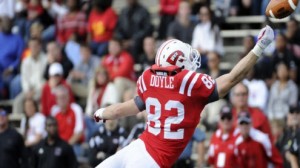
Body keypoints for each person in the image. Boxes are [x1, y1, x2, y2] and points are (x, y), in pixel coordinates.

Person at [93, 26, 275, 167]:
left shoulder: (148, 77)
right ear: (177, 60)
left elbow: (120, 109)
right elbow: (234, 77)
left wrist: (101, 113)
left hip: (136, 148)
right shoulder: (190, 82)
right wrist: (259, 47)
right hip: (153, 161)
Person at [50, 85, 84, 157]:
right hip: (58, 145)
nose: (62, 99)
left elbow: (79, 133)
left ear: (68, 97)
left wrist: (65, 147)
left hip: (74, 145)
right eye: (59, 98)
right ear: (56, 100)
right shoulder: (54, 111)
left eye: (64, 97)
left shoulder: (76, 108)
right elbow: (51, 132)